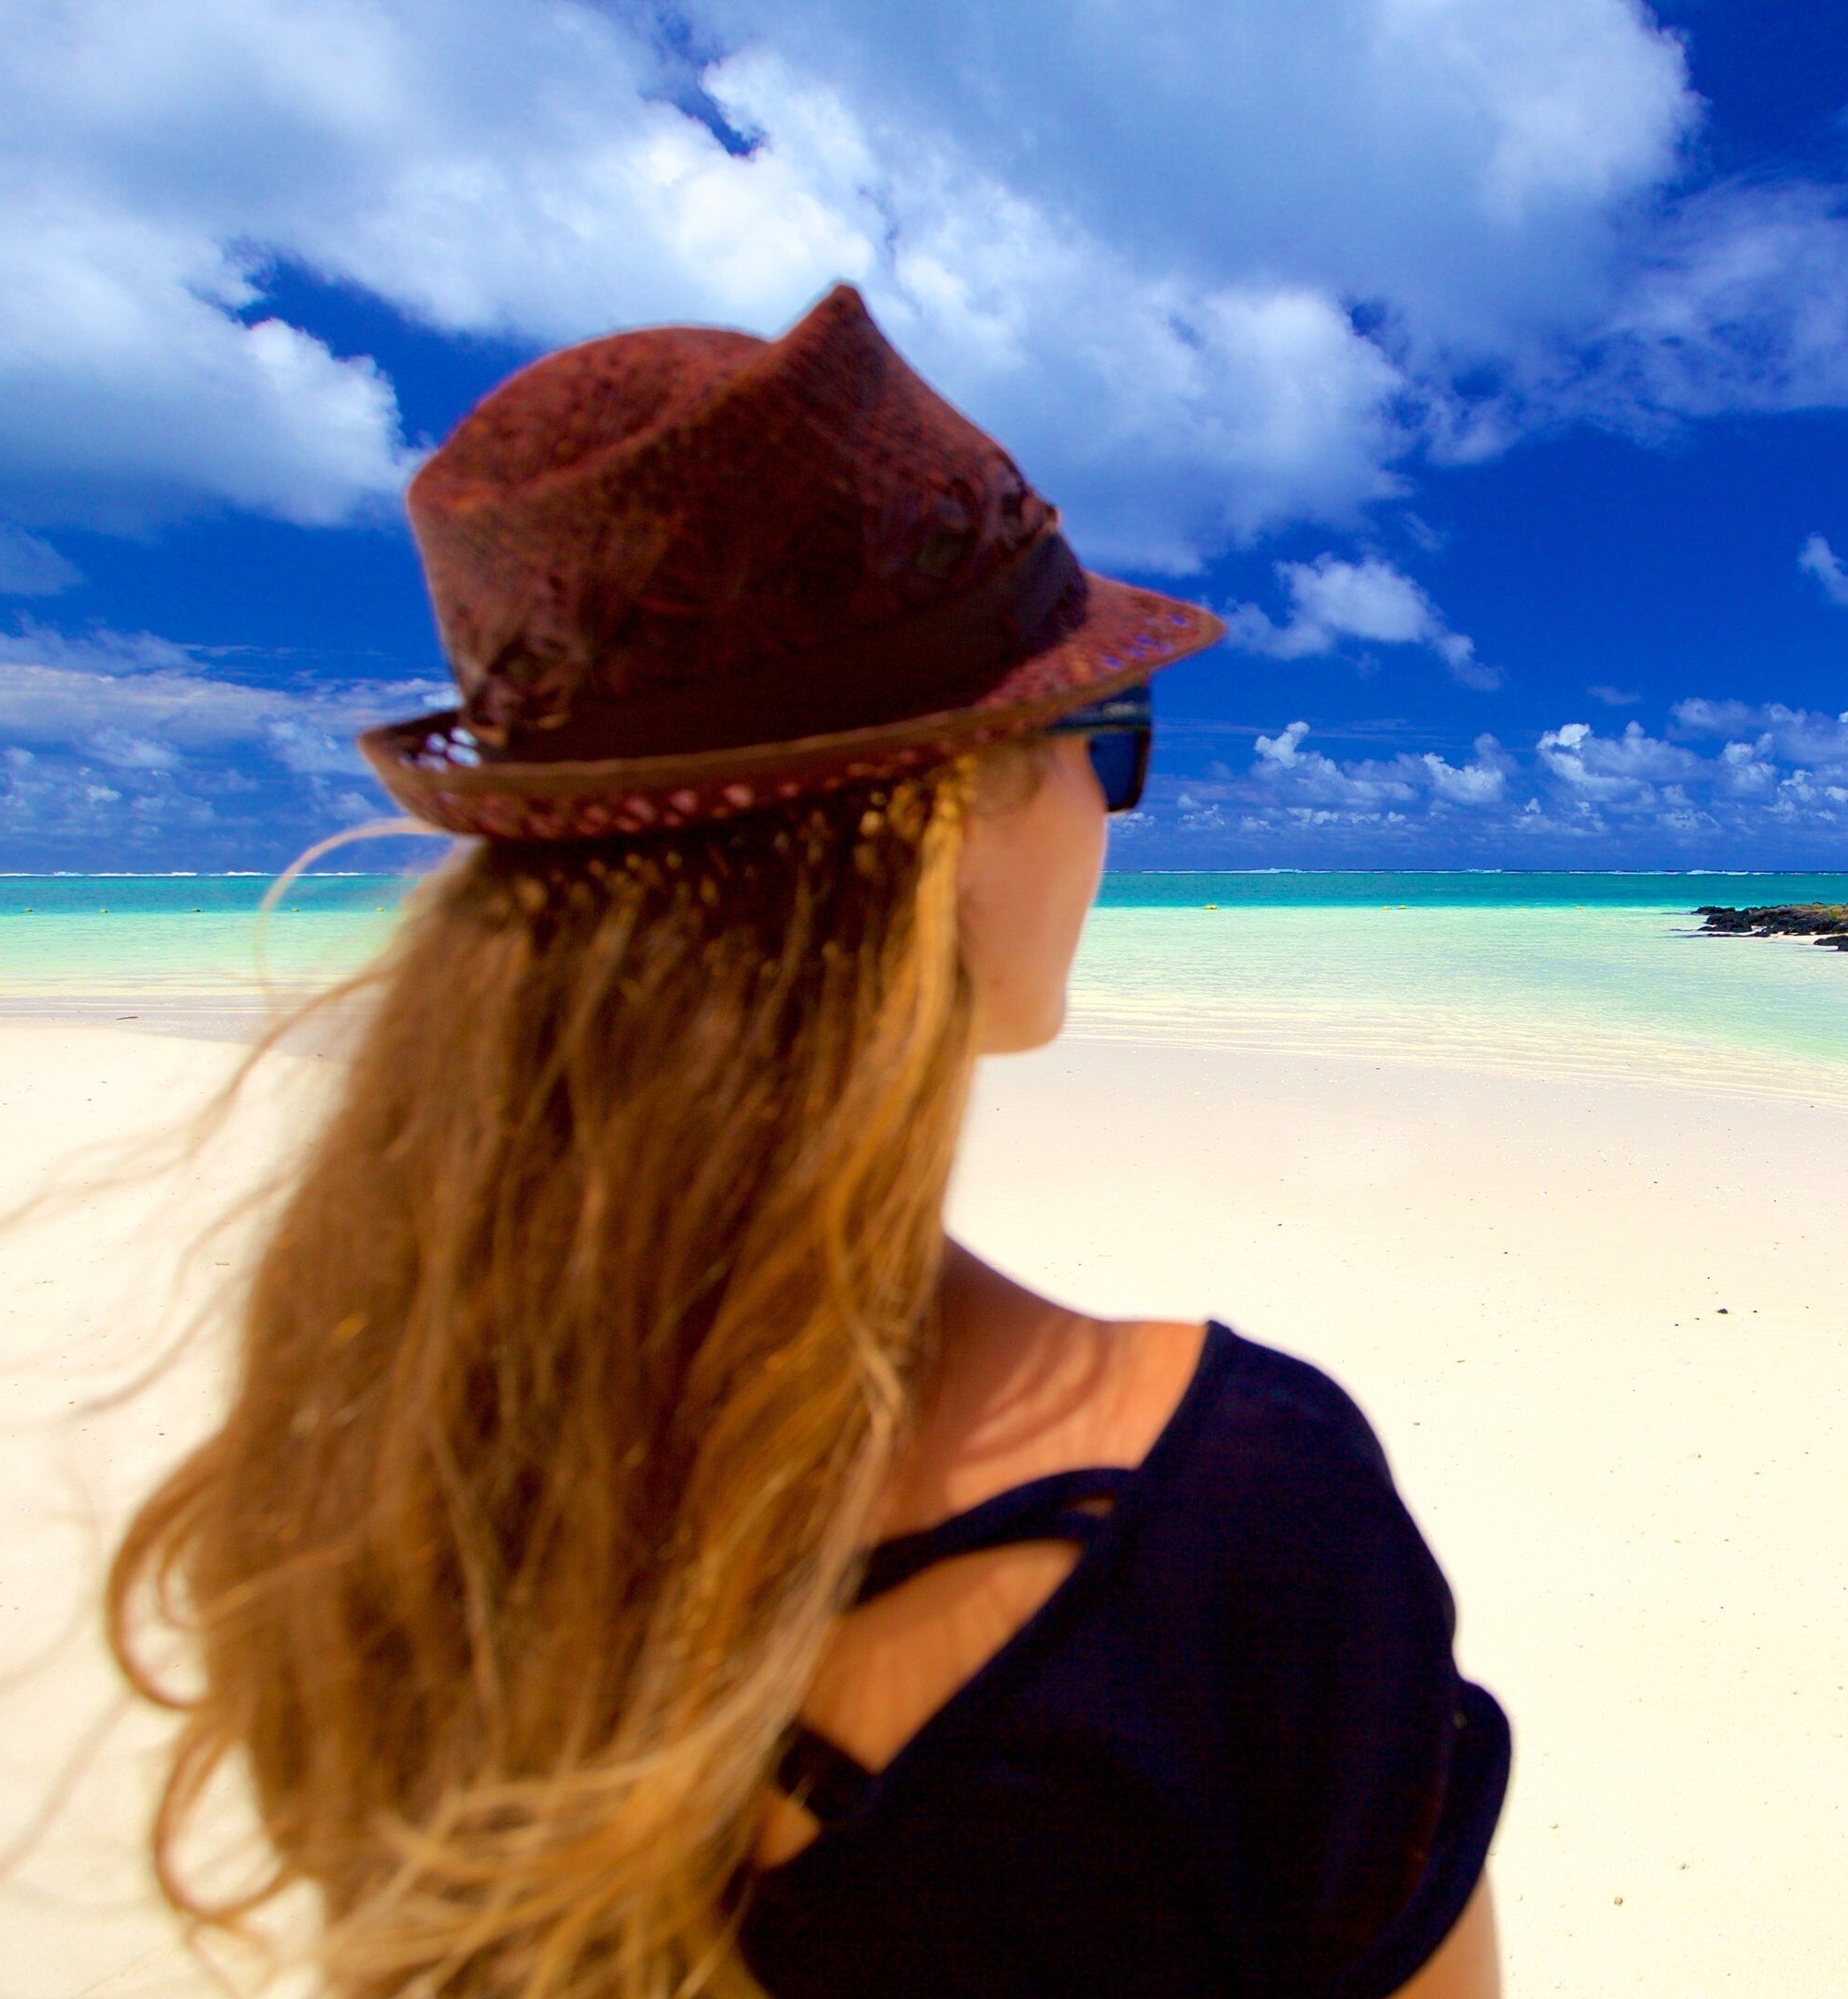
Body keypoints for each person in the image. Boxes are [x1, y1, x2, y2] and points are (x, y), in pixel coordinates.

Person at [109, 284, 1507, 1998]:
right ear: (952, 808)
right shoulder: (1242, 1515)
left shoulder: (388, 1463)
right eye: (1107, 742)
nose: (1108, 813)